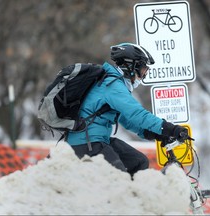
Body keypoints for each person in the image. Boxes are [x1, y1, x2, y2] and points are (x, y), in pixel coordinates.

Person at [66, 42, 188, 176]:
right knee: (120, 176)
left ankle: (133, 196)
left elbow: (127, 119)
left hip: (97, 141)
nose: (144, 75)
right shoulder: (112, 85)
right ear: (131, 66)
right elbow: (137, 114)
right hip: (86, 143)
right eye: (143, 70)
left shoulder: (113, 83)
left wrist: (154, 133)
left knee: (138, 162)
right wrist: (170, 128)